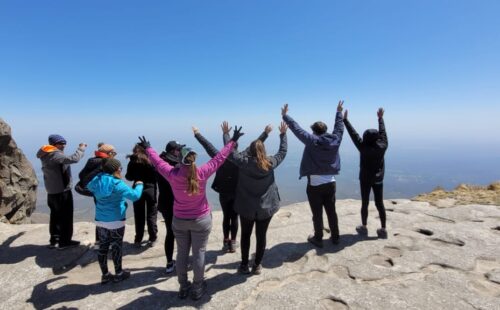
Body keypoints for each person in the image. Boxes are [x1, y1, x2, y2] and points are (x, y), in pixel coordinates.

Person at [138, 127, 242, 300]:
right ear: (194, 160)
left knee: (181, 253)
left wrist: (148, 148)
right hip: (201, 219)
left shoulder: (172, 174)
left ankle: (183, 287)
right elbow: (220, 158)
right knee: (199, 253)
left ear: (180, 158)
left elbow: (157, 162)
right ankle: (198, 288)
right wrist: (232, 141)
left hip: (179, 220)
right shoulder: (202, 172)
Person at [193, 122, 271, 253]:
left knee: (226, 216)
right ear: (237, 148)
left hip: (223, 192)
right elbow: (256, 144)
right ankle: (233, 242)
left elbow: (207, 145)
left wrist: (197, 133)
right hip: (237, 193)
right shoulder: (242, 158)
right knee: (234, 217)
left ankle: (226, 240)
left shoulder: (220, 157)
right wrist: (266, 133)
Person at [282, 101, 344, 248]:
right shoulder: (335, 140)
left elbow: (297, 129)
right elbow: (339, 128)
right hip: (331, 183)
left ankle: (318, 238)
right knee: (331, 211)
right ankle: (335, 237)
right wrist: (339, 113)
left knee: (317, 214)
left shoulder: (312, 141)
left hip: (315, 185)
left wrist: (285, 116)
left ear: (314, 131)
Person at [229, 121, 288, 275]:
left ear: (250, 151)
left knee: (245, 236)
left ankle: (243, 265)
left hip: (246, 207)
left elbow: (230, 152)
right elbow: (282, 152)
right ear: (263, 150)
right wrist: (283, 135)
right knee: (261, 236)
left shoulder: (243, 162)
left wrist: (229, 136)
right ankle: (257, 266)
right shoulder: (270, 163)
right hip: (266, 208)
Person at [87, 158, 143, 284]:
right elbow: (135, 196)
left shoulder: (97, 180)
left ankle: (105, 275)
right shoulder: (117, 184)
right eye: (120, 168)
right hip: (116, 220)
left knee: (103, 247)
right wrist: (139, 185)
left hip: (100, 219)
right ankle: (119, 273)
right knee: (116, 246)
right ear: (116, 169)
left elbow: (89, 187)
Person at [343, 107, 388, 238]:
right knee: (380, 203)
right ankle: (383, 229)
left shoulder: (363, 147)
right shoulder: (383, 145)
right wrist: (380, 119)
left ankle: (364, 227)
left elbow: (354, 135)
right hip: (379, 179)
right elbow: (383, 133)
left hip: (365, 179)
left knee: (365, 203)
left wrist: (345, 120)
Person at [36, 134, 86, 250]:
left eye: (64, 143)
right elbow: (73, 159)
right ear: (53, 144)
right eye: (60, 143)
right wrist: (81, 148)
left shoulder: (45, 154)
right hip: (61, 191)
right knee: (66, 216)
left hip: (52, 191)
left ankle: (55, 240)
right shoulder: (54, 154)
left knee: (55, 215)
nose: (63, 145)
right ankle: (64, 242)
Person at [76, 143, 117, 247]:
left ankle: (99, 242)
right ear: (109, 153)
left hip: (96, 193)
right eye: (114, 153)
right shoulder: (105, 162)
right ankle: (109, 242)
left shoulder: (91, 161)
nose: (115, 155)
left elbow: (81, 175)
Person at [157, 140, 184, 274]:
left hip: (164, 203)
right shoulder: (177, 166)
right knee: (182, 233)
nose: (180, 152)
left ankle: (169, 263)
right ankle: (182, 260)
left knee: (170, 232)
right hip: (177, 202)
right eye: (179, 150)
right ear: (174, 151)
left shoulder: (159, 163)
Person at [125, 144, 158, 247]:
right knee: (151, 215)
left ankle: (138, 238)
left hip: (137, 189)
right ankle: (152, 238)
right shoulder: (150, 161)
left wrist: (137, 177)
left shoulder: (132, 161)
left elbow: (129, 177)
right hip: (151, 189)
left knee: (139, 215)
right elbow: (157, 175)